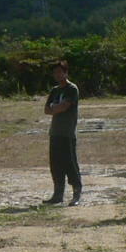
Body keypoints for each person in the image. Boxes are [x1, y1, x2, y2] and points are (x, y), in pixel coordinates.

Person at [42, 59, 82, 205]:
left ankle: (76, 192)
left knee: (70, 163)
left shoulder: (72, 89)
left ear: (66, 72)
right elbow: (46, 110)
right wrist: (56, 108)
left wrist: (55, 108)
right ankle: (58, 194)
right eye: (55, 72)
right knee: (56, 165)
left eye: (60, 72)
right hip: (55, 132)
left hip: (67, 133)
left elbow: (64, 107)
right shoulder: (55, 90)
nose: (57, 75)